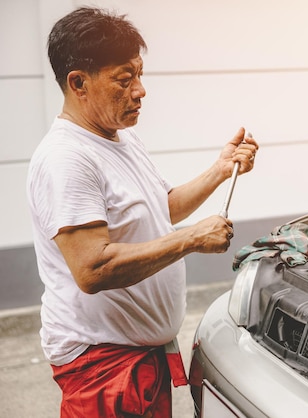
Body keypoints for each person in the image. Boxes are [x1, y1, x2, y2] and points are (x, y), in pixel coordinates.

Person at [26, 7, 258, 418]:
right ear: (78, 82)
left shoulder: (121, 139)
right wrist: (191, 239)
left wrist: (219, 171)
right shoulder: (67, 159)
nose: (140, 90)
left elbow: (158, 208)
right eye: (124, 79)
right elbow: (93, 268)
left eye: (139, 73)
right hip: (104, 372)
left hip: (139, 360)